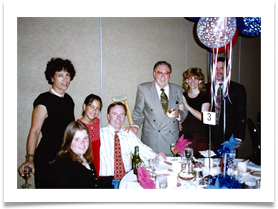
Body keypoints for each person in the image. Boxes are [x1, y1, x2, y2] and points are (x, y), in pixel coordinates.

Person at [18, 58, 76, 188]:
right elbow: (35, 130)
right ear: (51, 78)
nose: (65, 79)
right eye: (60, 75)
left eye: (67, 75)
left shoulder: (68, 100)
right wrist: (30, 158)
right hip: (47, 157)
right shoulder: (44, 100)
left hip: (65, 156)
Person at [99, 102, 167, 188]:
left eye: (122, 114)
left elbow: (143, 149)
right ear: (108, 116)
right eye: (115, 114)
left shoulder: (128, 134)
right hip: (106, 180)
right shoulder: (99, 134)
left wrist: (156, 157)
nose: (118, 118)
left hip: (126, 178)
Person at [129, 61, 188, 156]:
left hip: (171, 140)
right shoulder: (144, 88)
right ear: (154, 74)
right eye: (160, 72)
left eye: (166, 73)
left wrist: (179, 115)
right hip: (152, 139)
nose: (163, 76)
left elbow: (184, 111)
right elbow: (138, 111)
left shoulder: (178, 89)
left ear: (170, 75)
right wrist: (135, 126)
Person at [205, 57, 247, 151]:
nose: (219, 71)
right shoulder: (205, 88)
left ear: (228, 70)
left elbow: (241, 115)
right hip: (208, 136)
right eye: (216, 68)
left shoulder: (238, 89)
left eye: (222, 68)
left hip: (229, 137)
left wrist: (238, 138)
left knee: (228, 164)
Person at [48, 121, 98, 188]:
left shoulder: (85, 158)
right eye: (77, 139)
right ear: (68, 141)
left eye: (85, 138)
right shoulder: (63, 166)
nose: (82, 143)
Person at [179, 67, 211, 153]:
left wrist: (188, 106)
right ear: (186, 80)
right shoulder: (184, 95)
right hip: (185, 134)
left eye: (196, 79)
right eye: (190, 79)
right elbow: (181, 114)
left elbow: (204, 117)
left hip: (199, 136)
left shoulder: (204, 96)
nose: (192, 82)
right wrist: (179, 121)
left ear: (200, 81)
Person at [77, 94, 102, 178]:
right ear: (84, 106)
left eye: (97, 108)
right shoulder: (78, 126)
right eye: (91, 106)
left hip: (96, 160)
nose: (94, 111)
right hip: (85, 161)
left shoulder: (97, 122)